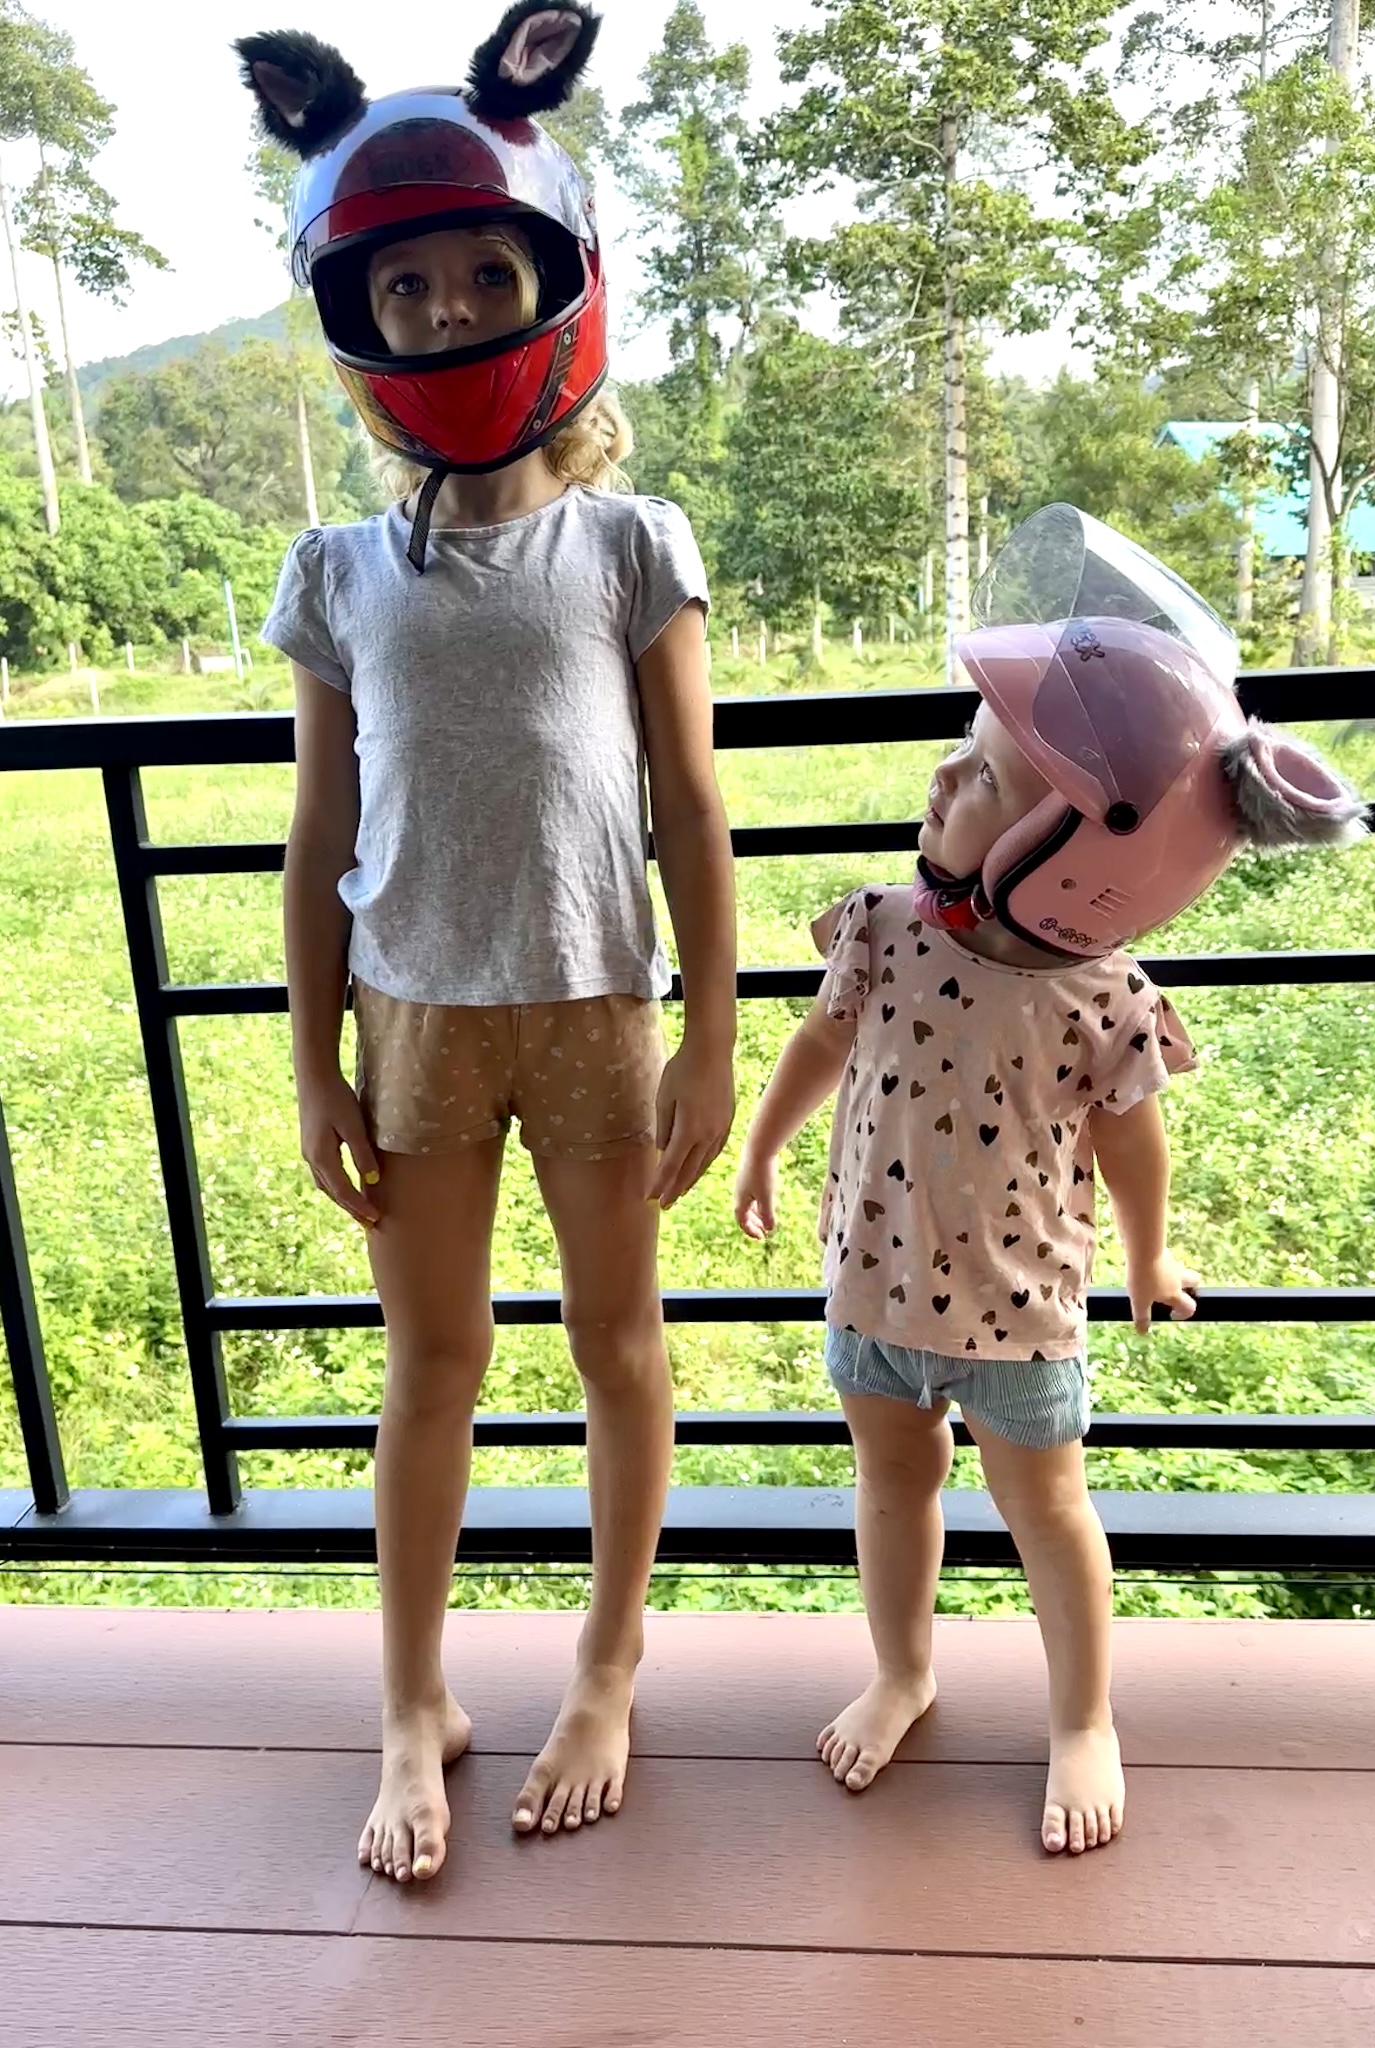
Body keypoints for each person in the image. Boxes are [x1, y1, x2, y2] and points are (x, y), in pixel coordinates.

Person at [241, 3, 736, 1883]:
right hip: (416, 1013)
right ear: (363, 315)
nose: (449, 308)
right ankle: (413, 1702)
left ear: (551, 283)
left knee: (622, 1343)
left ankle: (607, 1666)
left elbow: (691, 805)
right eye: (414, 283)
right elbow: (319, 832)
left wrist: (712, 1029)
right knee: (430, 1365)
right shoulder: (339, 572)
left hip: (602, 1004)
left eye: (480, 271)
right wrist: (306, 1061)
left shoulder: (631, 542)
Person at [735, 508, 1367, 1856]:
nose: (939, 783)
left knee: (1050, 1511)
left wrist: (1148, 1254)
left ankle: (1084, 1716)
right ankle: (904, 1669)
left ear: (1074, 859)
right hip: (873, 1290)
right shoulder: (886, 930)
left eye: (977, 778)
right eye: (961, 761)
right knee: (889, 1491)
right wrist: (764, 1141)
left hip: (1021, 1317)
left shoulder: (1101, 998)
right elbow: (821, 1039)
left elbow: (1135, 1141)